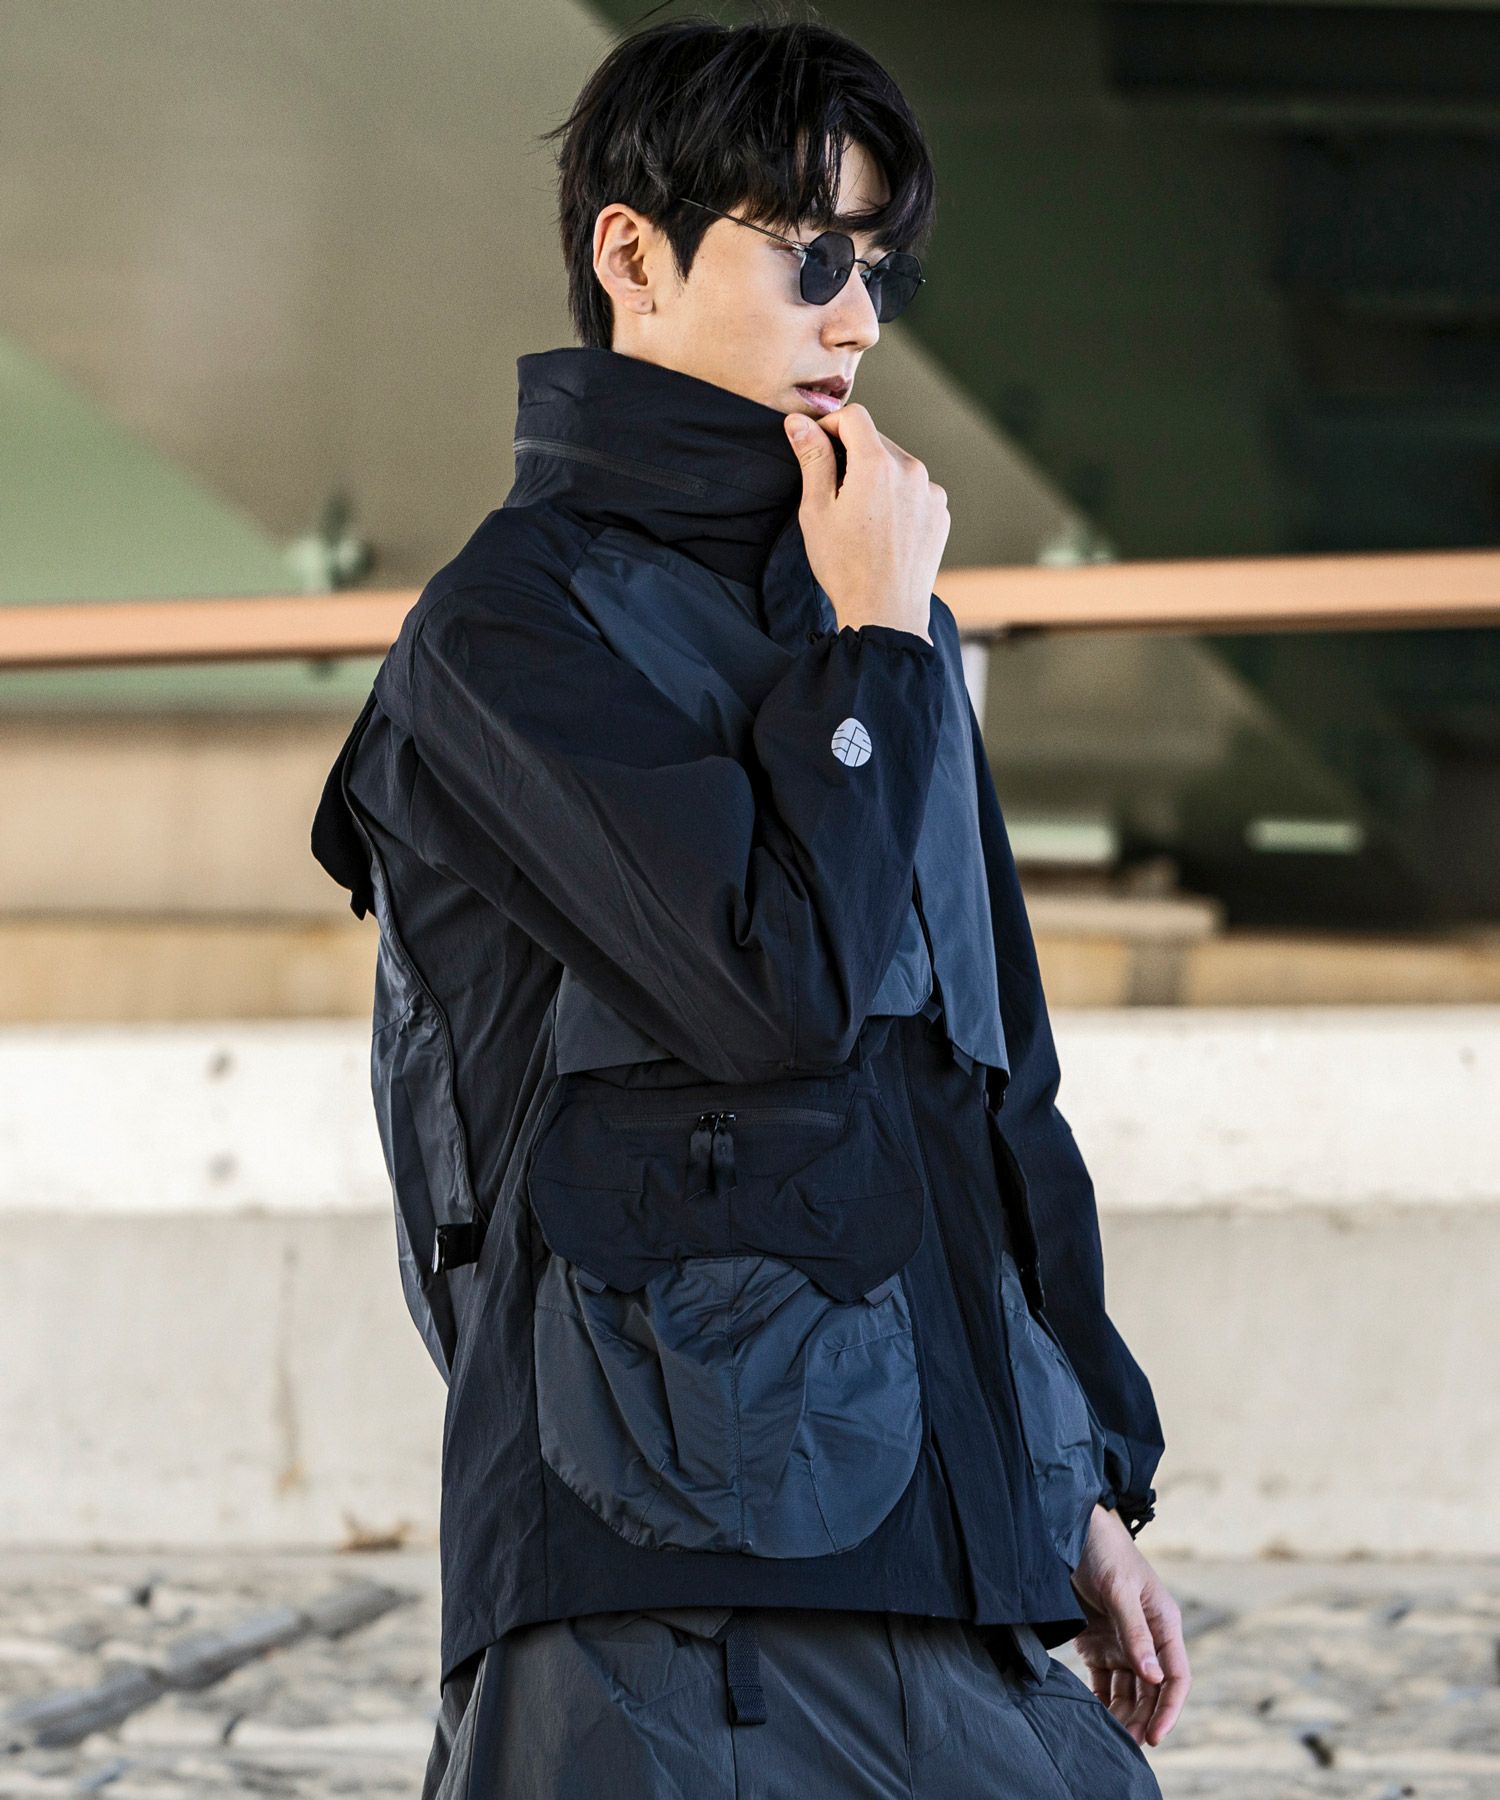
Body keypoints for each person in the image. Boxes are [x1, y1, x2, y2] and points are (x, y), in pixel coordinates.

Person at [310, 15, 1190, 1797]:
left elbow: (988, 1090)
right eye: (808, 257)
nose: (855, 320)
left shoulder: (884, 613)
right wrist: (870, 647)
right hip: (660, 1596)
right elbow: (764, 998)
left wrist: (1077, 1478)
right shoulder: (508, 629)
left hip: (939, 1572)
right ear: (631, 256)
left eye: (879, 268)